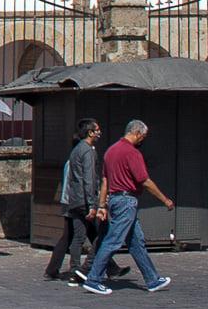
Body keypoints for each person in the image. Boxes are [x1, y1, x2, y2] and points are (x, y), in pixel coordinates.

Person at [80, 120, 174, 295]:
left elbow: (105, 182)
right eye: (143, 136)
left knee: (136, 242)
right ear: (137, 133)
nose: (142, 140)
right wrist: (165, 199)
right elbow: (144, 180)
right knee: (113, 240)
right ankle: (93, 279)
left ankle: (152, 279)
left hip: (115, 199)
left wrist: (102, 205)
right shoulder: (132, 153)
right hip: (127, 200)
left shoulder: (110, 152)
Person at [45, 118, 104, 283]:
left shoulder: (76, 151)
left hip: (74, 201)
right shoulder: (88, 151)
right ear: (90, 132)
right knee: (102, 234)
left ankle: (75, 269)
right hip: (84, 201)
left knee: (78, 236)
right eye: (97, 129)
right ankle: (84, 268)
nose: (99, 132)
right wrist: (93, 204)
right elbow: (89, 179)